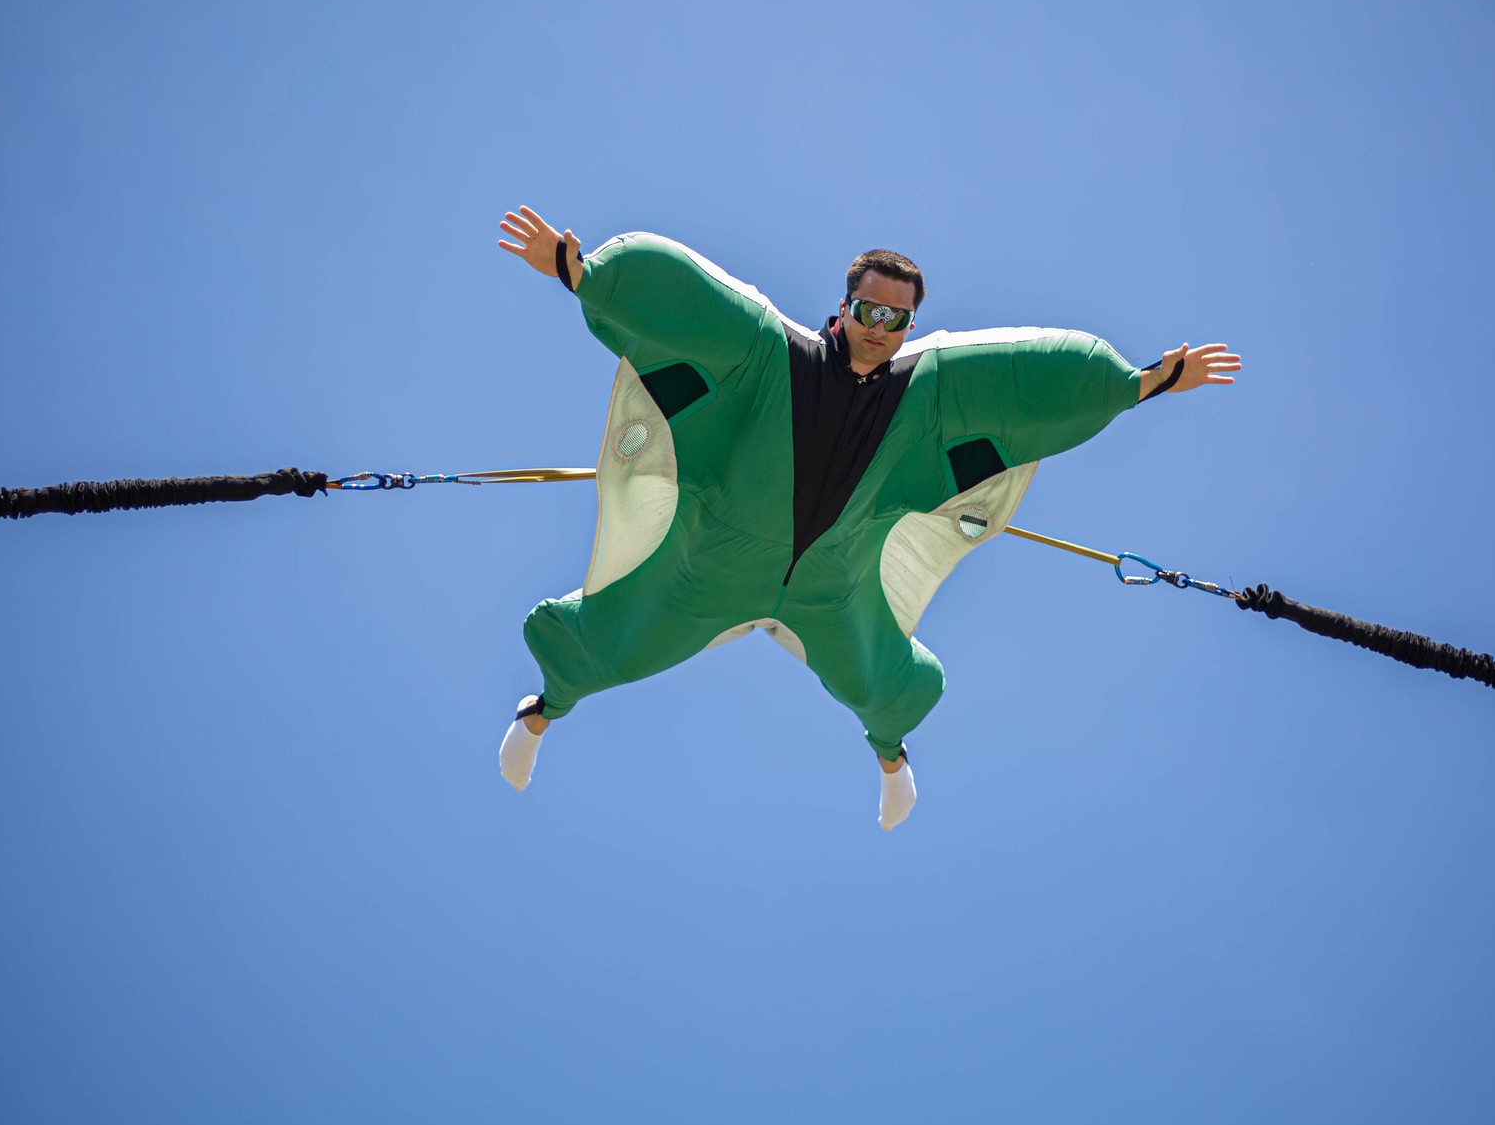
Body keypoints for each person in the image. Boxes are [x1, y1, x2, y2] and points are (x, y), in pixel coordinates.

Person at [491, 205, 1239, 830]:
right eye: (870, 310)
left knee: (877, 679)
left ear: (911, 323)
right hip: (711, 562)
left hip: (833, 584)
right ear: (845, 306)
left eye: (898, 317)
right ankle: (541, 713)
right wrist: (584, 273)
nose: (882, 326)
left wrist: (1142, 383)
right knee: (618, 642)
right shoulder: (766, 352)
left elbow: (1031, 378)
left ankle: (891, 756)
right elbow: (687, 299)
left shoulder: (927, 390)